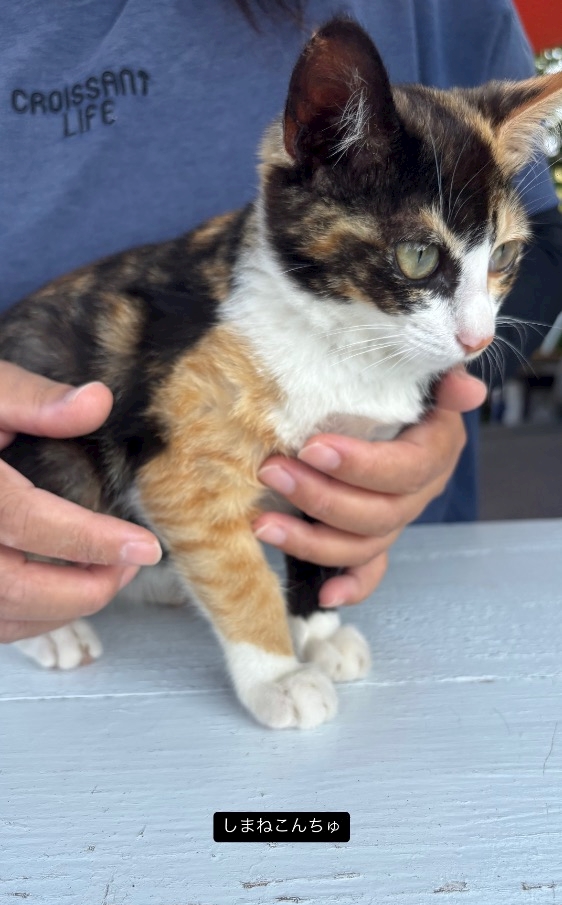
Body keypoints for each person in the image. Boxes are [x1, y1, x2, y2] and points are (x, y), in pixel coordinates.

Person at [0, 0, 560, 643]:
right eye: (417, 256)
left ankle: (309, 609)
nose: (480, 333)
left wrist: (442, 401)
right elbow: (180, 470)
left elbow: (545, 240)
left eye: (501, 260)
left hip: (424, 577)